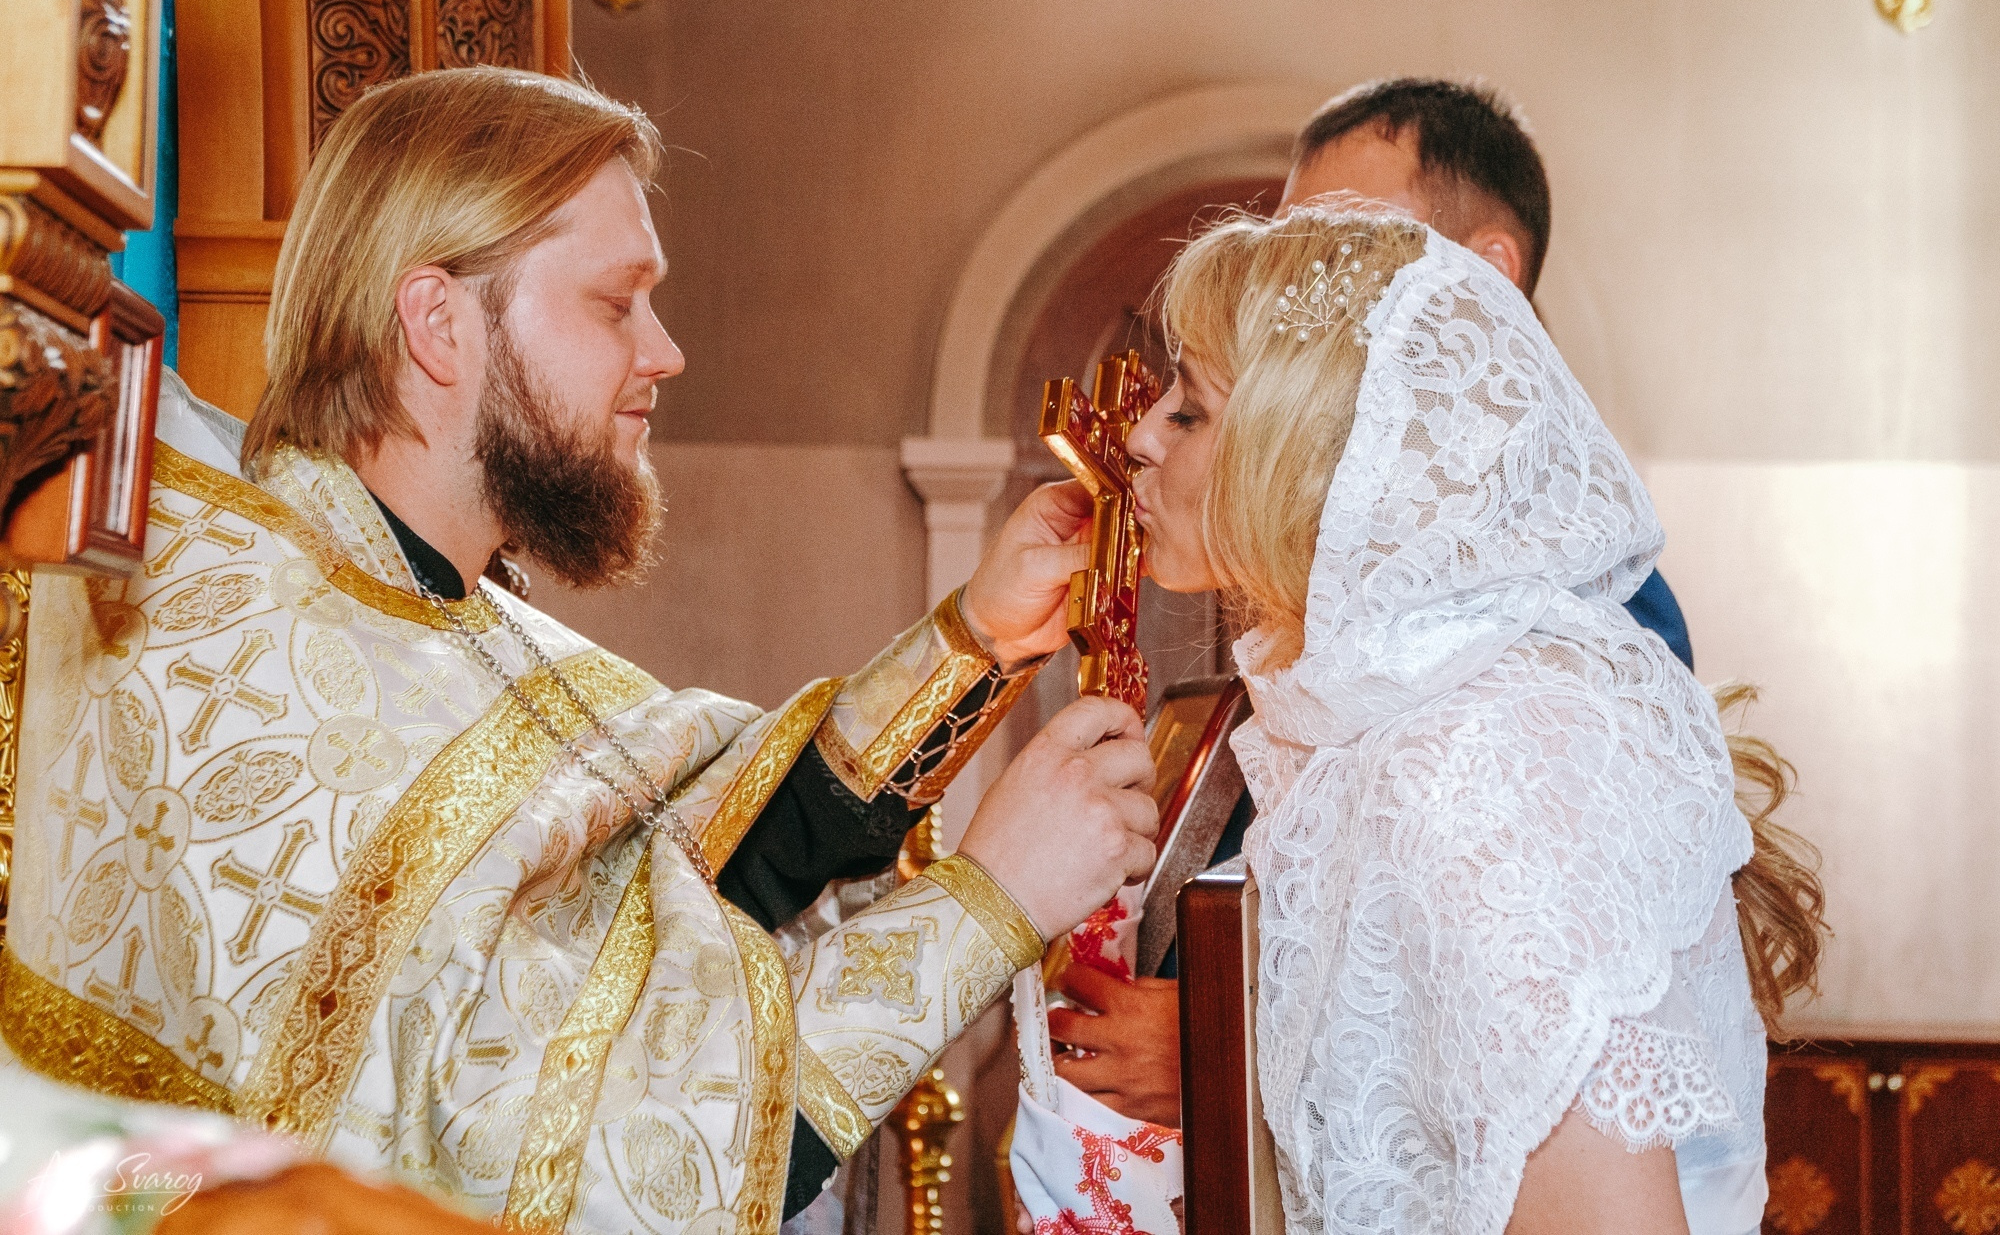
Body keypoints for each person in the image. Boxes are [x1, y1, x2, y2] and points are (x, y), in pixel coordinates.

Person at [0, 66, 1161, 1232]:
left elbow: (706, 869)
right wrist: (986, 902)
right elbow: (594, 1168)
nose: (663, 353)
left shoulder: (456, 618)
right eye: (616, 304)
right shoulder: (255, 651)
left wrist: (976, 639)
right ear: (438, 321)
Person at [1113, 200, 1826, 1232]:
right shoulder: (1375, 723)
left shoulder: (1478, 757)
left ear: (1310, 458)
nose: (1140, 436)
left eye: (1187, 411)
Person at [1047, 77, 1697, 1131]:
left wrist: (1232, 1049)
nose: (1298, 289)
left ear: (1470, 280)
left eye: (1342, 239)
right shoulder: (1330, 626)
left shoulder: (1545, 658)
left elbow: (1547, 1070)